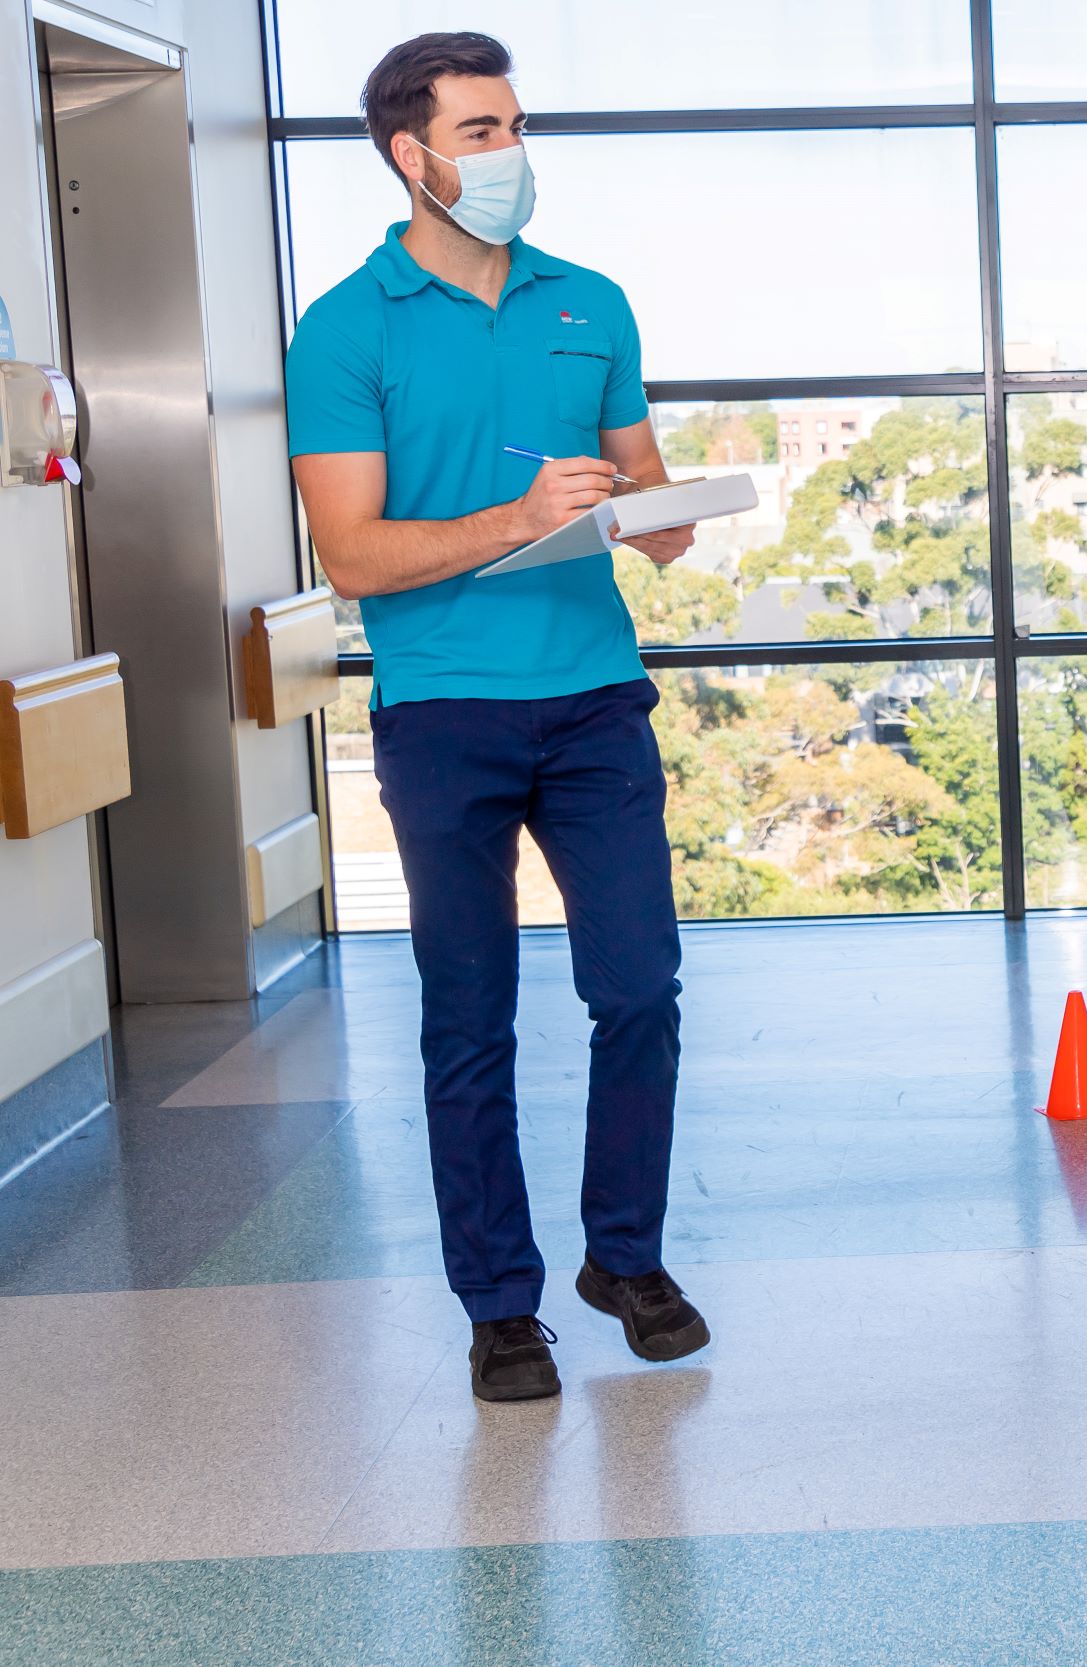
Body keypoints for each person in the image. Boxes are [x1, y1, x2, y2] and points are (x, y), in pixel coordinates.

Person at [285, 32, 709, 1403]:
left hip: (593, 701)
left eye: (514, 124)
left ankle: (623, 1256)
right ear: (411, 155)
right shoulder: (347, 330)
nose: (510, 153)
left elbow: (650, 500)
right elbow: (351, 556)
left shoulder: (591, 302)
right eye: (481, 131)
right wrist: (514, 522)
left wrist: (664, 517)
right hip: (445, 714)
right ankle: (499, 1305)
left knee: (639, 988)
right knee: (470, 1019)